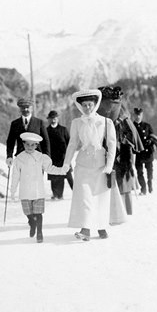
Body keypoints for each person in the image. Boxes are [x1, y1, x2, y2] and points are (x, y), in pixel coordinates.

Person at [61, 89, 119, 241]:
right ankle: (85, 229)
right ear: (80, 106)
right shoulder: (76, 123)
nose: (88, 108)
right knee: (84, 197)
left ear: (95, 104)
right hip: (82, 165)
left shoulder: (107, 122)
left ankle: (101, 226)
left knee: (101, 198)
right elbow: (72, 144)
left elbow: (112, 145)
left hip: (101, 165)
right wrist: (66, 163)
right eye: (85, 105)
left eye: (90, 105)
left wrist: (109, 165)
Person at [10, 132, 64, 243]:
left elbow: (50, 168)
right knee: (28, 213)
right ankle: (32, 223)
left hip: (37, 190)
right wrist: (13, 190)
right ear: (23, 144)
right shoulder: (19, 159)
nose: (30, 147)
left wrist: (62, 170)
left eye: (32, 145)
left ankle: (39, 232)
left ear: (36, 145)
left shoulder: (41, 157)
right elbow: (15, 176)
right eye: (27, 144)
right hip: (25, 190)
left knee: (38, 213)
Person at [97, 86, 144, 215]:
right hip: (118, 153)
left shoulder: (116, 117)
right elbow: (134, 138)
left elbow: (132, 137)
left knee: (116, 182)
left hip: (118, 153)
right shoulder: (123, 115)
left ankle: (117, 212)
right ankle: (121, 211)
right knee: (120, 183)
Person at [5, 98, 50, 167]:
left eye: (27, 107)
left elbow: (45, 141)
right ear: (20, 109)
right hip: (21, 158)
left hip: (37, 159)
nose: (25, 110)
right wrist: (9, 156)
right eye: (23, 108)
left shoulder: (39, 123)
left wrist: (46, 157)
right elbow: (10, 141)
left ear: (32, 108)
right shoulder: (15, 124)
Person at [132, 108, 157, 194]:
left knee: (150, 171)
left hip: (148, 152)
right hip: (139, 152)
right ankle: (143, 188)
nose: (138, 117)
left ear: (142, 115)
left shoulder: (147, 126)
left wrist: (150, 140)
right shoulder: (132, 126)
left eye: (139, 115)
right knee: (139, 172)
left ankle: (150, 184)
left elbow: (152, 136)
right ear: (134, 115)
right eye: (136, 115)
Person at [46, 110, 73, 200]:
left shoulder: (63, 130)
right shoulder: (46, 131)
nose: (53, 120)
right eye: (51, 118)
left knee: (67, 176)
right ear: (49, 120)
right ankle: (56, 194)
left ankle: (75, 193)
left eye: (55, 118)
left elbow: (70, 143)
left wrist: (68, 156)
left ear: (57, 119)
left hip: (63, 157)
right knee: (54, 177)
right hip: (52, 158)